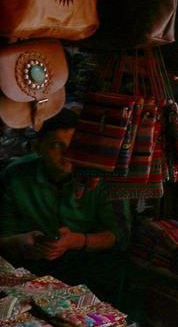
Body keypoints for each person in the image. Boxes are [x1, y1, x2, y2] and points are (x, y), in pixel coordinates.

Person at [0, 110, 128, 294]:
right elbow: (4, 235)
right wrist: (20, 242)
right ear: (37, 147)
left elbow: (119, 235)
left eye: (74, 144)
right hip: (34, 261)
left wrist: (75, 241)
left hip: (89, 263)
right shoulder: (15, 175)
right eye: (56, 145)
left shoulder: (102, 176)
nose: (68, 154)